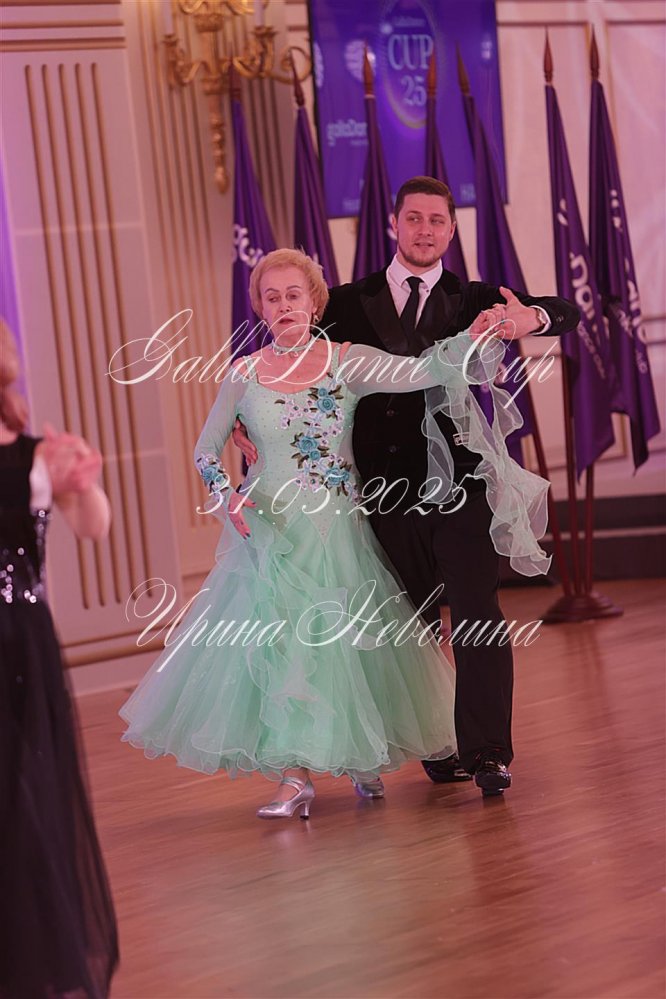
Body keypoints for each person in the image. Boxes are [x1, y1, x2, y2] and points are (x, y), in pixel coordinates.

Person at [119, 249, 549, 819]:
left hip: (338, 528)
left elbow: (421, 371)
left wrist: (472, 337)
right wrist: (227, 494)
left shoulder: (346, 361)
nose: (283, 305)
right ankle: (294, 778)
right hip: (273, 533)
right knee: (283, 655)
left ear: (314, 303)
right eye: (271, 297)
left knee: (348, 652)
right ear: (259, 307)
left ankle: (359, 761)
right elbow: (205, 449)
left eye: (293, 295)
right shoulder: (243, 374)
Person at [235, 178, 580, 797]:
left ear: (452, 229)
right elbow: (283, 363)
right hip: (378, 494)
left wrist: (531, 317)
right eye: (414, 219)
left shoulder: (474, 298)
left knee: (477, 614)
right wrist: (243, 422)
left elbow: (565, 311)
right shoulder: (344, 301)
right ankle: (436, 746)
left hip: (459, 486)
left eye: (437, 221)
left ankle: (487, 752)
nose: (425, 230)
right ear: (394, 224)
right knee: (407, 625)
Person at [0, 322, 118, 998]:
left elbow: (93, 526)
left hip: (19, 638)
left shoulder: (37, 455)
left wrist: (89, 480)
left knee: (28, 790)